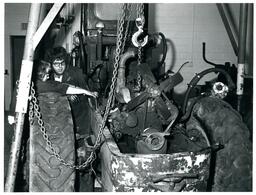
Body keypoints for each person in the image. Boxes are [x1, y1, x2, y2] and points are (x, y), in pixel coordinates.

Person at [45, 46, 96, 192]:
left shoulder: (76, 73)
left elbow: (87, 93)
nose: (60, 67)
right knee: (62, 158)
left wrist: (88, 95)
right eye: (56, 64)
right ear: (51, 64)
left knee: (83, 161)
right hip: (58, 122)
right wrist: (65, 95)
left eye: (62, 63)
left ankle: (85, 190)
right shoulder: (47, 76)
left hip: (79, 120)